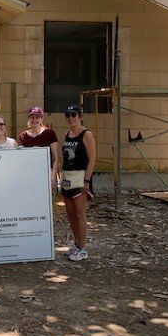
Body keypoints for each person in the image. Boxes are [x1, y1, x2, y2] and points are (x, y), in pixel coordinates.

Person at [60, 105, 96, 262]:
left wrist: (87, 180)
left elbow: (92, 158)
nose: (70, 118)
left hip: (81, 178)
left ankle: (82, 248)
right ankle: (76, 244)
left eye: (73, 114)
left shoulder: (86, 134)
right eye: (68, 115)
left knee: (80, 214)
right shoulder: (67, 135)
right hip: (68, 178)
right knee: (71, 214)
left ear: (80, 116)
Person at [18, 106, 59, 187]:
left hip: (46, 174)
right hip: (28, 175)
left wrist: (53, 177)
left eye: (37, 117)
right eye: (32, 117)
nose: (34, 120)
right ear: (28, 119)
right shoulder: (23, 136)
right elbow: (20, 159)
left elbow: (55, 158)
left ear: (41, 119)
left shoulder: (50, 133)